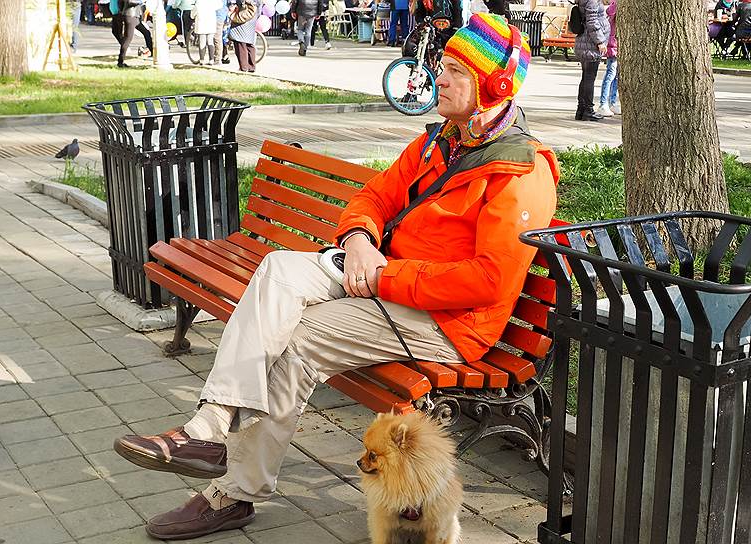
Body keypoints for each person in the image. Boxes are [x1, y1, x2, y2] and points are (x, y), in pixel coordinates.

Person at [112, 12, 558, 541]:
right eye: (443, 63)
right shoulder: (438, 141)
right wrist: (359, 241)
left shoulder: (520, 173)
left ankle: (232, 492)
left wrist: (383, 275)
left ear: (494, 87)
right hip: (380, 279)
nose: (439, 76)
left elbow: (486, 282)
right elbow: (373, 197)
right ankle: (207, 431)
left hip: (448, 324)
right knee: (277, 271)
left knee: (297, 343)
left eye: (457, 71)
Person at [574, 0, 608, 121]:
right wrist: (600, 41)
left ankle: (581, 109)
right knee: (589, 78)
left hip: (585, 41)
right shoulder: (592, 1)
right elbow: (592, 21)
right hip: (590, 44)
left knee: (585, 77)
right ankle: (588, 110)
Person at [112, 0, 153, 67]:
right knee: (127, 39)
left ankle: (152, 51)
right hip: (131, 15)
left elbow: (121, 3)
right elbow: (129, 2)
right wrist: (140, 2)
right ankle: (120, 62)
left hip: (134, 16)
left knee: (146, 32)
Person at [597, 0, 619, 117]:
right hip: (613, 45)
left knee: (616, 76)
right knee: (610, 74)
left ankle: (613, 102)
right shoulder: (614, 5)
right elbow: (610, 12)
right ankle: (603, 103)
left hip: (617, 45)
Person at [228, 0, 261, 71]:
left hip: (243, 18)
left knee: (240, 44)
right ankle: (251, 66)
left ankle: (243, 67)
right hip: (252, 18)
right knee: (249, 45)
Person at [193, 0, 222, 64]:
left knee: (202, 42)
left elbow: (193, 13)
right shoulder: (213, 2)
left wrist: (192, 16)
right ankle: (211, 60)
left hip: (201, 23)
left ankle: (202, 60)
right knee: (210, 41)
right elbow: (220, 5)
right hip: (210, 22)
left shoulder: (199, 2)